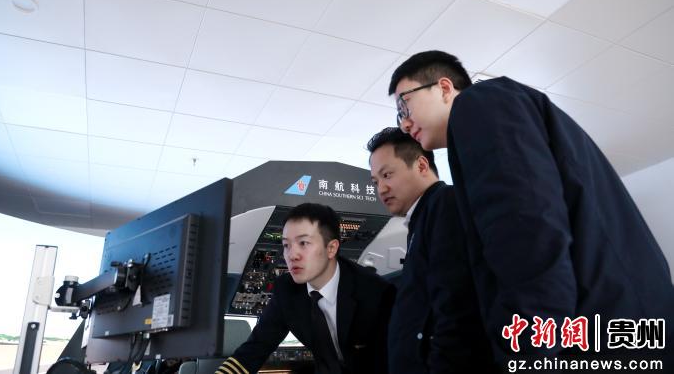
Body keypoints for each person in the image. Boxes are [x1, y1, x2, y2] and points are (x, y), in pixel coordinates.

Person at [388, 50, 674, 367]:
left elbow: (527, 235)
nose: (405, 124)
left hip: (600, 336)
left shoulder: (480, 104)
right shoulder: (497, 112)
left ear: (444, 88)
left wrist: (527, 357)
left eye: (405, 105)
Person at [367, 127, 494, 373]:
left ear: (422, 165)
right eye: (375, 181)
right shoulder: (422, 219)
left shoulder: (445, 204)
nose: (381, 189)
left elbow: (455, 305)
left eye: (387, 175)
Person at [215, 202, 396, 374]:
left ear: (331, 248)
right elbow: (254, 350)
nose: (292, 255)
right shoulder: (287, 290)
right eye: (286, 245)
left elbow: (398, 359)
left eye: (303, 243)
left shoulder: (376, 293)